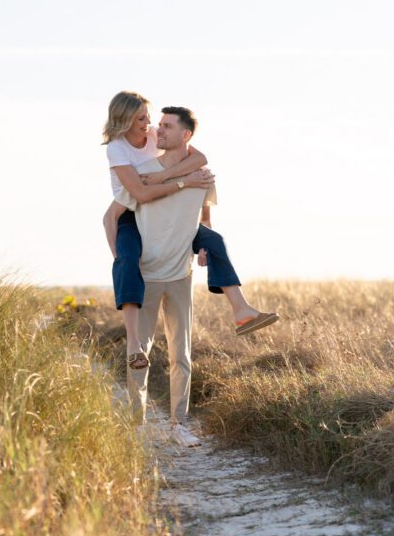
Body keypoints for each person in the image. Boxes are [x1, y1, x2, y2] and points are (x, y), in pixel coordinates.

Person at [102, 91, 278, 373]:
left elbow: (200, 157)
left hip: (167, 212)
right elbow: (140, 194)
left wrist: (166, 176)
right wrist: (183, 182)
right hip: (131, 213)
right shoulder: (117, 149)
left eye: (150, 117)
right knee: (127, 261)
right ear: (124, 120)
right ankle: (134, 343)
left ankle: (241, 308)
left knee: (213, 238)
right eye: (142, 118)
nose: (150, 123)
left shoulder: (152, 137)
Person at [117, 105, 255, 445]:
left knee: (182, 354)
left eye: (166, 126)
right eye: (158, 125)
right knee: (140, 354)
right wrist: (121, 258)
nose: (158, 131)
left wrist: (202, 248)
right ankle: (138, 425)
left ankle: (178, 425)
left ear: (186, 135)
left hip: (181, 274)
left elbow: (204, 221)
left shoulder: (204, 177)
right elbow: (116, 214)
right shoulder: (142, 172)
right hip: (146, 273)